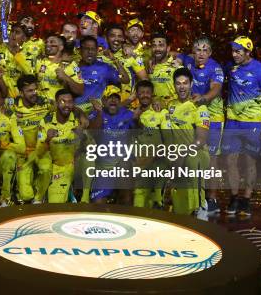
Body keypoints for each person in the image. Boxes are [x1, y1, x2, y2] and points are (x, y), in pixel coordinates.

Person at [221, 36, 261, 217]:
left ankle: (246, 200)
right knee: (230, 161)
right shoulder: (230, 67)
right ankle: (235, 197)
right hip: (232, 122)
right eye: (233, 50)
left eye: (238, 51)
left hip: (252, 124)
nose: (234, 54)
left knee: (250, 162)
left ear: (248, 52)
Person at [176, 36, 225, 214]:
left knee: (211, 158)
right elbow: (174, 54)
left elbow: (216, 89)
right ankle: (190, 194)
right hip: (192, 114)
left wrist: (202, 98)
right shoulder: (188, 60)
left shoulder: (216, 68)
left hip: (213, 116)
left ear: (210, 53)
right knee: (191, 153)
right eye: (198, 49)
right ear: (192, 51)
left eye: (205, 50)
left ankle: (212, 199)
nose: (201, 53)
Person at [163, 68, 210, 219]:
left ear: (191, 84)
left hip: (194, 156)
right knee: (180, 201)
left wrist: (181, 155)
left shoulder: (199, 107)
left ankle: (201, 211)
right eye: (178, 83)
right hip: (177, 157)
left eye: (185, 83)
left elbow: (201, 140)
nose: (182, 87)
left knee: (194, 201)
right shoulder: (170, 105)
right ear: (174, 85)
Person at [30, 89, 84, 203]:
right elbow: (39, 152)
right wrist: (47, 139)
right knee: (55, 202)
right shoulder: (46, 122)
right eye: (62, 101)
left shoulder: (77, 121)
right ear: (56, 102)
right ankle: (40, 194)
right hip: (53, 165)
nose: (67, 105)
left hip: (69, 165)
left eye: (70, 102)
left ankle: (77, 194)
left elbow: (84, 146)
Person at [88, 85, 136, 204]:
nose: (113, 100)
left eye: (116, 98)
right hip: (103, 169)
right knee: (98, 204)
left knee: (127, 199)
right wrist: (99, 112)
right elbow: (92, 131)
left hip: (122, 166)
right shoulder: (96, 114)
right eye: (110, 97)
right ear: (103, 101)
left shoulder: (128, 114)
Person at [8, 75, 52, 203]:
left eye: (35, 89)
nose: (35, 93)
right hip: (23, 153)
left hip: (42, 151)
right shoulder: (13, 104)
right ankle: (20, 187)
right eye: (30, 91)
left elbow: (66, 109)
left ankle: (39, 196)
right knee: (26, 196)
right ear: (21, 93)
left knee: (45, 169)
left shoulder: (46, 103)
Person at [132, 80, 168, 209]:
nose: (145, 95)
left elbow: (168, 138)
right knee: (139, 204)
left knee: (156, 204)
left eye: (148, 92)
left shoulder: (161, 112)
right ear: (137, 95)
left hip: (158, 166)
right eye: (142, 93)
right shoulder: (134, 114)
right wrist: (136, 120)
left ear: (152, 94)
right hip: (141, 168)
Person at [75, 36, 128, 115]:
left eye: (93, 49)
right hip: (75, 112)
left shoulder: (104, 68)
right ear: (80, 50)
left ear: (97, 51)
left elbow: (125, 79)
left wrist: (115, 60)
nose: (90, 52)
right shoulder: (73, 67)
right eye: (86, 49)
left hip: (96, 114)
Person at [101, 24, 148, 103]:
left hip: (128, 107)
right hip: (104, 107)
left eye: (120, 36)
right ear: (106, 38)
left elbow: (145, 81)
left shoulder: (131, 56)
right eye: (112, 36)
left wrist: (131, 98)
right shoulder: (98, 57)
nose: (116, 39)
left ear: (123, 39)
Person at [35, 34, 84, 102]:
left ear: (61, 47)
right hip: (40, 108)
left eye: (52, 42)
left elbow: (80, 91)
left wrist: (66, 78)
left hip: (60, 108)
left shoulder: (71, 65)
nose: (48, 44)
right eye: (46, 42)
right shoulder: (39, 61)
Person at [148, 32, 179, 108]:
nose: (157, 49)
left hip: (172, 112)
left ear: (168, 48)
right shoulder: (150, 67)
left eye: (161, 45)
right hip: (154, 113)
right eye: (154, 46)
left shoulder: (176, 67)